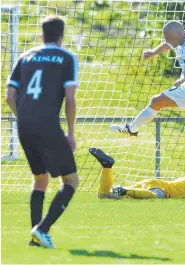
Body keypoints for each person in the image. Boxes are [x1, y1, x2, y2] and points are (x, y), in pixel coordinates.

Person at [6, 16, 80, 248]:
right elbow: (70, 98)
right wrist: (70, 132)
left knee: (40, 179)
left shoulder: (25, 57)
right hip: (47, 124)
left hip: (24, 124)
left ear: (42, 35)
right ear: (61, 36)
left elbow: (9, 96)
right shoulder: (67, 57)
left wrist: (25, 120)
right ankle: (42, 228)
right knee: (71, 181)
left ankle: (35, 239)